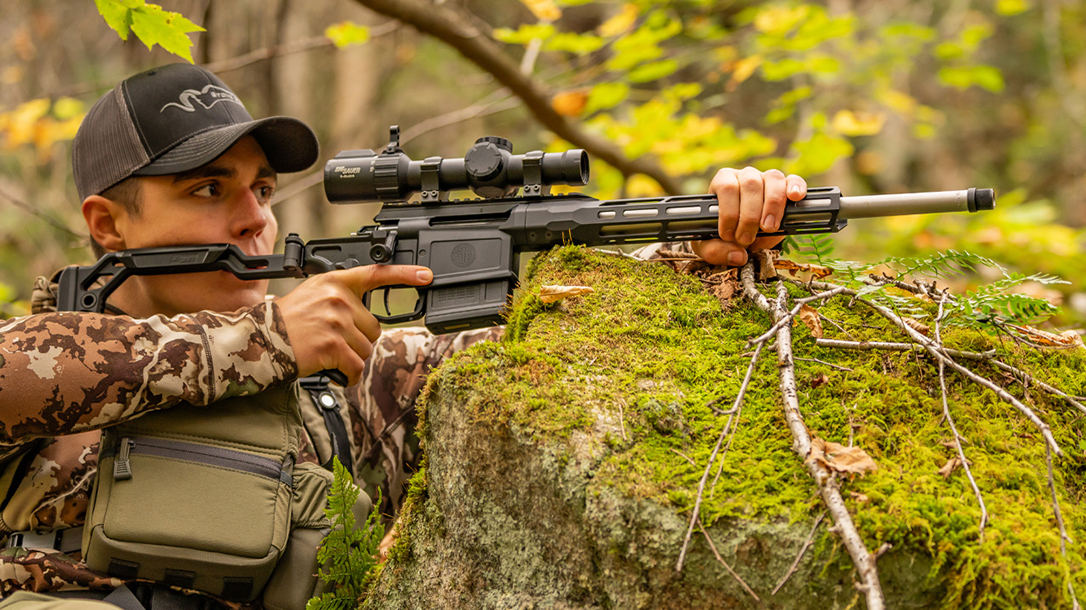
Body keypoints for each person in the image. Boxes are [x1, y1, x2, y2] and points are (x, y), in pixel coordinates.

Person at [0, 62, 806, 608]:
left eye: (263, 187)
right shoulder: (45, 375)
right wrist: (265, 337)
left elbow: (535, 365)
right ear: (109, 225)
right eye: (209, 189)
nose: (253, 218)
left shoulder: (337, 381)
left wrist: (696, 252)